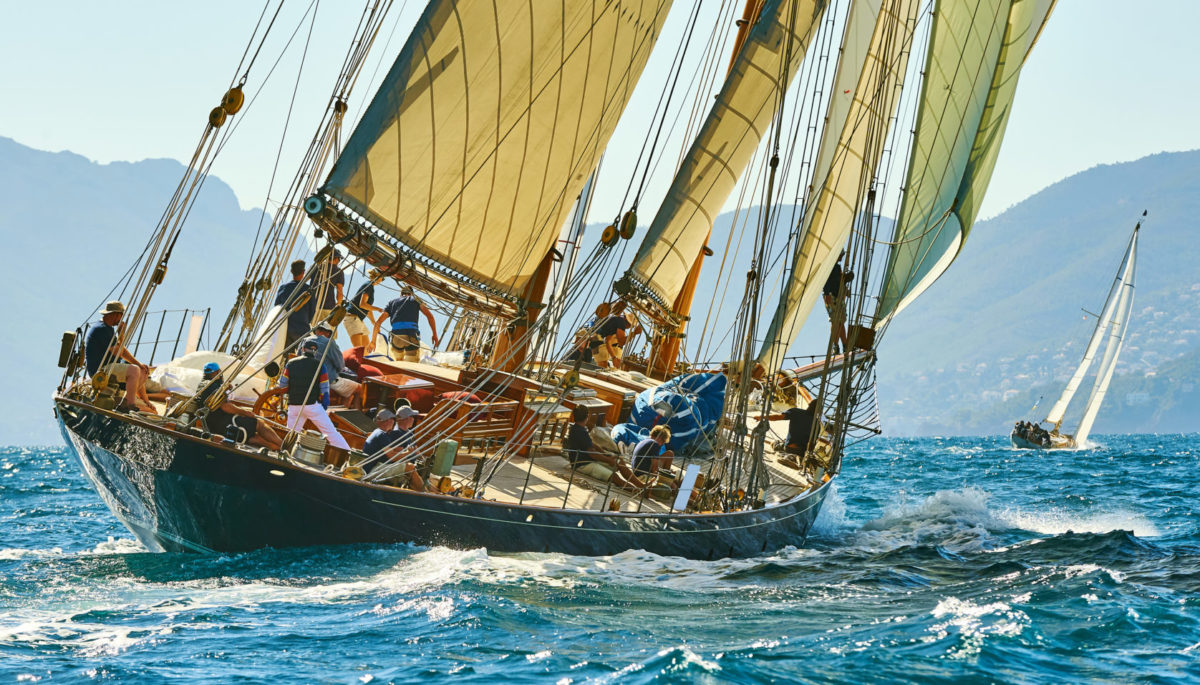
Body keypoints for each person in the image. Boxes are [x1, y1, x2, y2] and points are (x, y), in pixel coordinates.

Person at [83, 300, 154, 412]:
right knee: (134, 370)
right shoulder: (102, 329)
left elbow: (121, 351)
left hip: (110, 366)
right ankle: (129, 405)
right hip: (100, 371)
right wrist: (122, 333)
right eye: (121, 315)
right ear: (115, 314)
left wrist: (140, 365)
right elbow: (119, 352)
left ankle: (126, 400)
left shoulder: (108, 328)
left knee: (142, 370)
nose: (121, 318)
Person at [194, 362, 283, 450]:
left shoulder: (203, 385)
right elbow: (226, 407)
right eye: (219, 372)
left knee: (252, 437)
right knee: (259, 424)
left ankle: (273, 446)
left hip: (212, 426)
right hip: (224, 424)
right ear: (216, 372)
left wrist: (224, 389)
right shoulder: (213, 386)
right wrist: (245, 412)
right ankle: (282, 446)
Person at [280, 339, 350, 449]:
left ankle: (285, 452)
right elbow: (324, 388)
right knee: (331, 433)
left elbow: (283, 384)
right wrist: (324, 403)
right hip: (312, 406)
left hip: (294, 405)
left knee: (291, 434)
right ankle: (348, 454)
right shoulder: (320, 366)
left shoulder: (291, 364)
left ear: (303, 349)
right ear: (315, 352)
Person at [563, 406, 645, 492]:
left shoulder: (579, 428)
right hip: (582, 464)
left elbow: (592, 444)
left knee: (620, 461)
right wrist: (609, 460)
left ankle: (642, 486)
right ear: (587, 417)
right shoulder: (580, 431)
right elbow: (592, 454)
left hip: (589, 460)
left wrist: (605, 453)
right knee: (614, 477)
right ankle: (638, 492)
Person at [301, 321, 362, 408]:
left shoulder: (304, 341)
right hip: (327, 381)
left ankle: (342, 411)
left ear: (316, 330)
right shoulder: (329, 343)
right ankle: (347, 416)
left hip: (305, 379)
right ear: (327, 332)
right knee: (359, 389)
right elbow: (340, 365)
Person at [362, 407, 425, 490]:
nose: (394, 422)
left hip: (375, 466)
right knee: (410, 467)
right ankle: (424, 492)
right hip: (372, 469)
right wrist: (408, 453)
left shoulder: (380, 433)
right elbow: (392, 456)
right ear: (387, 421)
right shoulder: (382, 435)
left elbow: (392, 453)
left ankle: (427, 491)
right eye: (392, 419)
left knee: (415, 468)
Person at [381, 284, 439, 362]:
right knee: (411, 364)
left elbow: (378, 322)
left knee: (398, 362)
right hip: (411, 336)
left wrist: (373, 341)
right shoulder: (415, 299)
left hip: (396, 337)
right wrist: (434, 334)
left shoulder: (392, 302)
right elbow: (430, 316)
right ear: (411, 294)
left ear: (401, 294)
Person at [275, 259, 315, 351]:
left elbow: (277, 307)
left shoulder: (283, 288)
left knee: (285, 356)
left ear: (291, 271)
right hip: (301, 328)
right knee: (307, 354)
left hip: (285, 328)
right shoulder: (308, 290)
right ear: (303, 272)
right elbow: (312, 311)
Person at [344, 268, 384, 349]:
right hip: (352, 318)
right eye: (383, 278)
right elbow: (362, 304)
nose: (382, 281)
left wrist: (375, 324)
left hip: (358, 319)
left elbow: (368, 309)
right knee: (359, 349)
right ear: (378, 277)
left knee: (366, 350)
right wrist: (378, 309)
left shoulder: (370, 286)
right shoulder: (368, 286)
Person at [308, 249, 345, 333]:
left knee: (310, 334)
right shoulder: (338, 272)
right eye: (339, 259)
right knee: (328, 337)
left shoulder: (317, 267)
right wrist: (338, 306)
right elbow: (339, 292)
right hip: (328, 308)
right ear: (336, 259)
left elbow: (304, 280)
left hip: (312, 306)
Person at [823, 251, 853, 355]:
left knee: (840, 321)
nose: (841, 257)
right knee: (835, 321)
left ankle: (845, 345)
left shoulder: (837, 268)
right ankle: (836, 346)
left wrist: (845, 282)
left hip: (838, 296)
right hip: (831, 296)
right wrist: (826, 294)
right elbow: (825, 281)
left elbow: (839, 281)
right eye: (841, 255)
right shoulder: (829, 267)